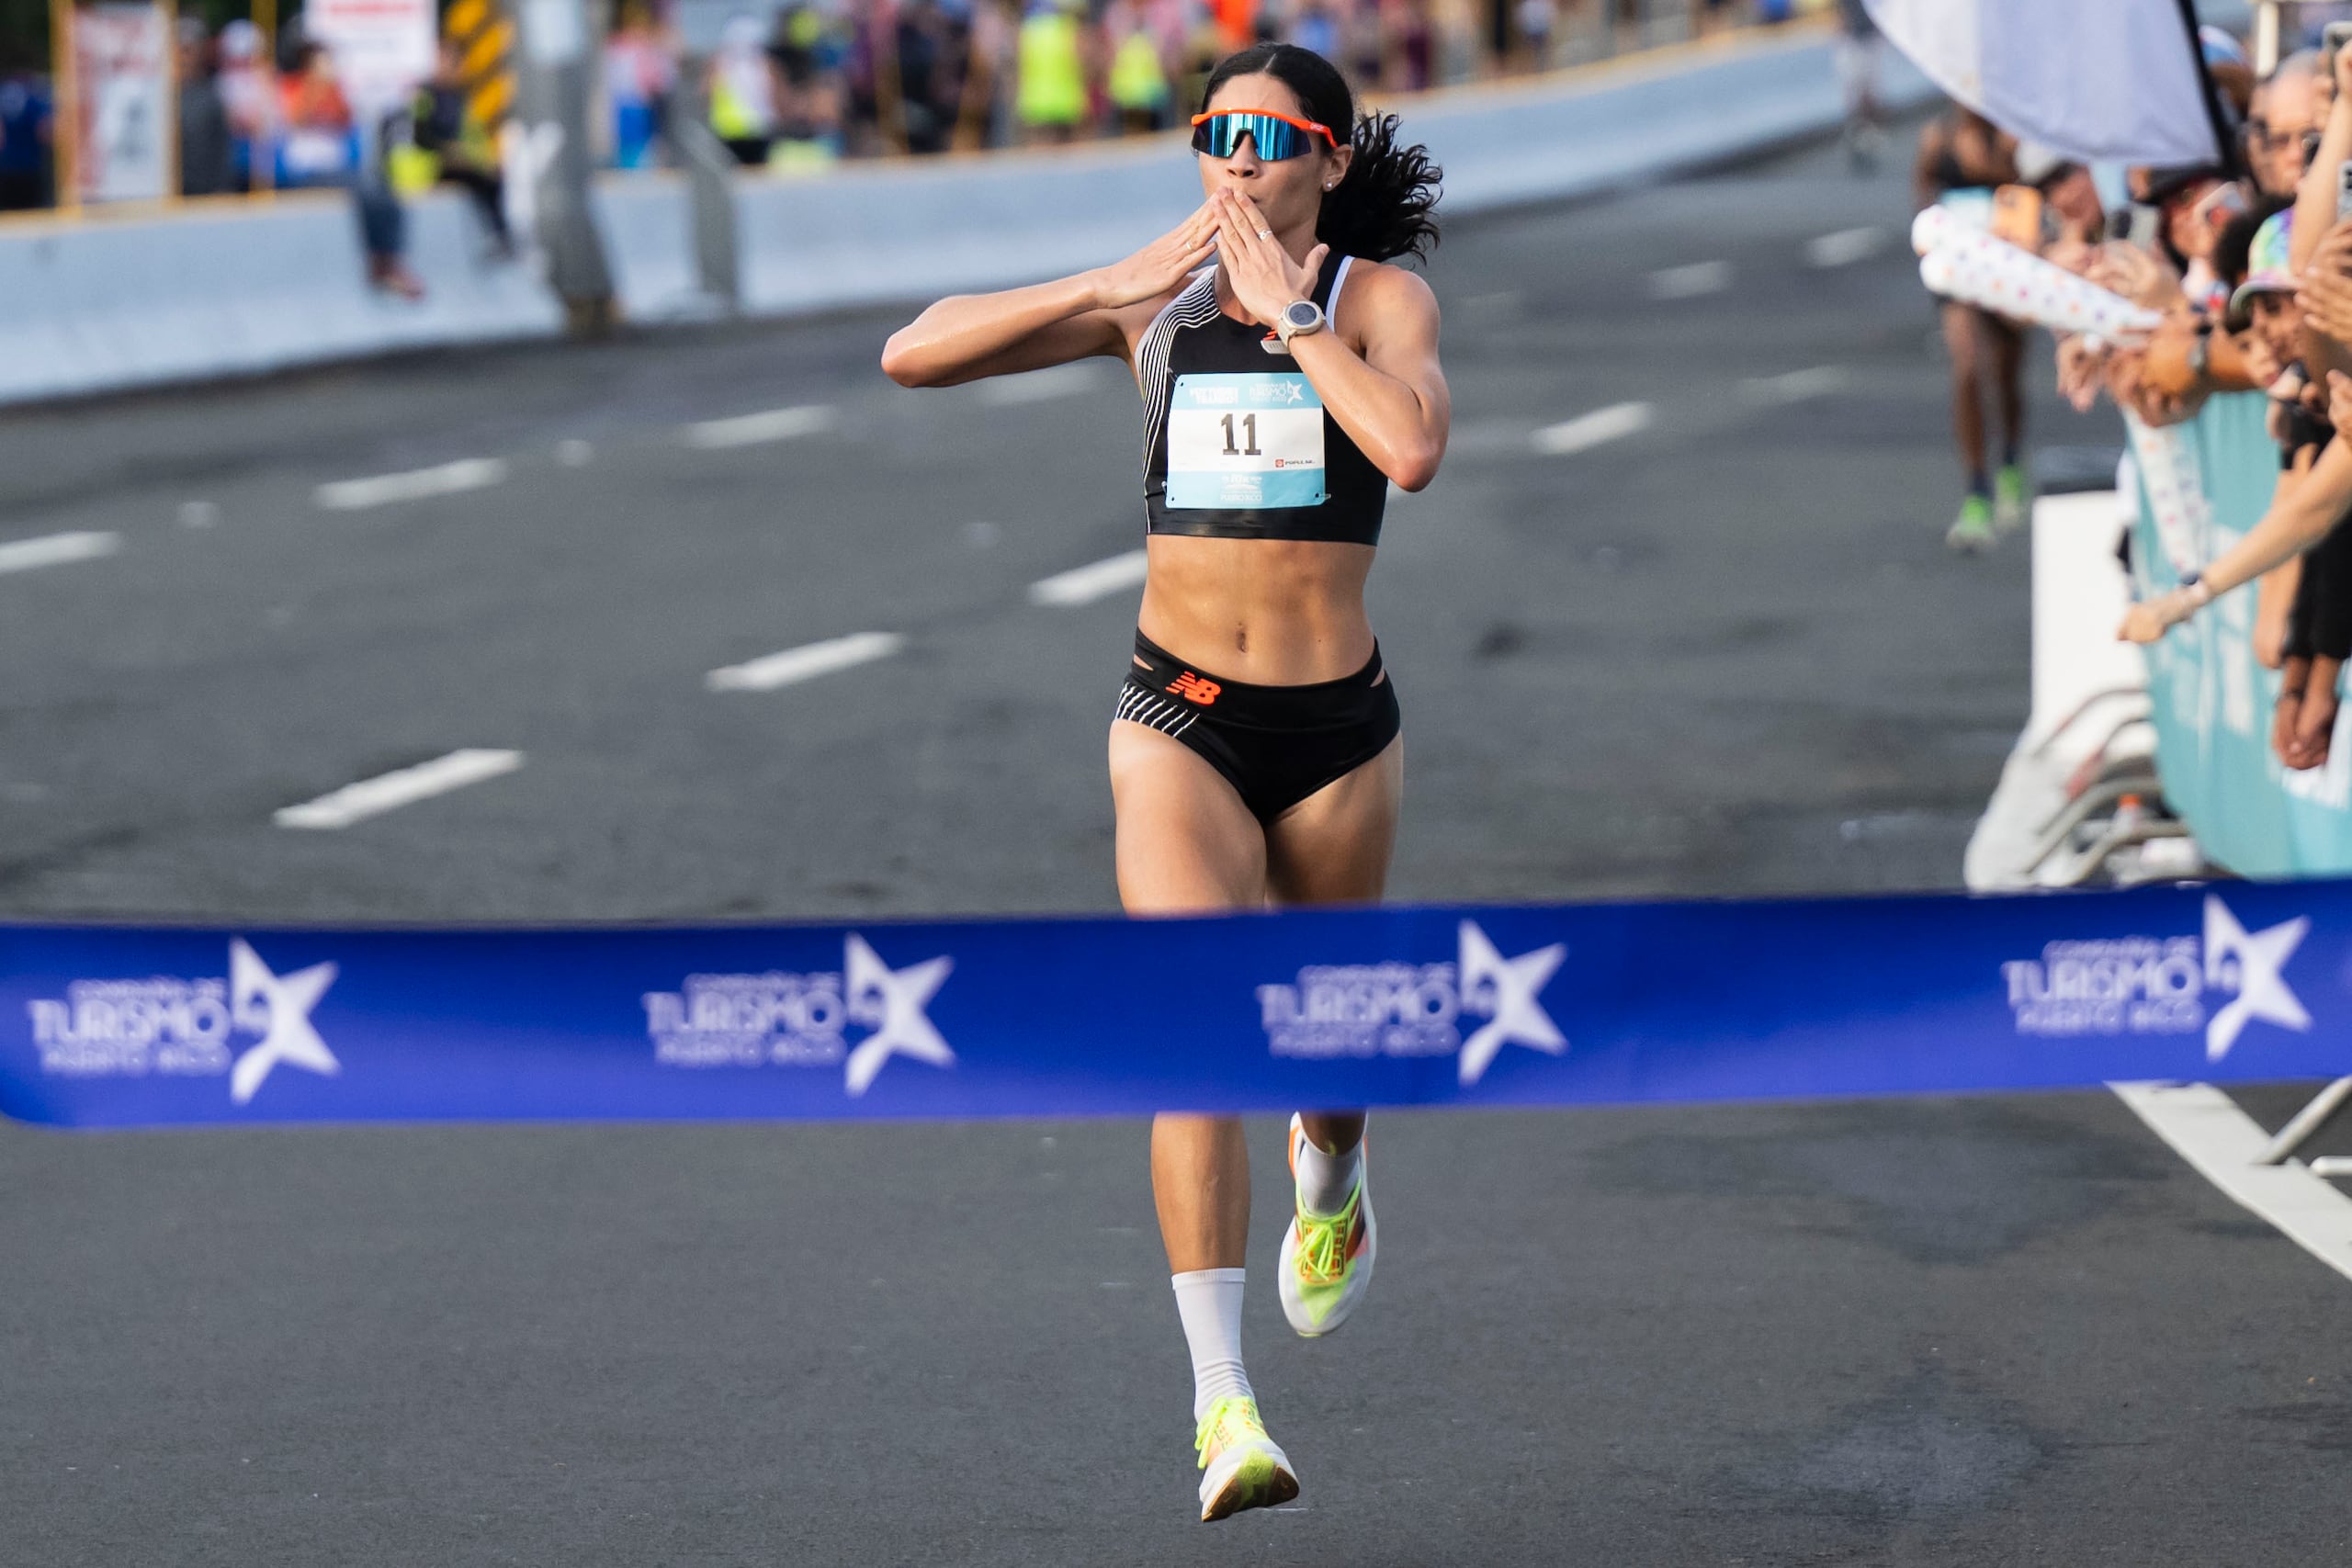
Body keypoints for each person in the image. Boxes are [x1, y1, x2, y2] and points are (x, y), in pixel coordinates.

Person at [881, 40, 1445, 1522]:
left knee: (1325, 1059)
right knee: (1197, 1022)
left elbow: (1414, 446)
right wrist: (1108, 281)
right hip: (1178, 712)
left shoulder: (1380, 301)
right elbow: (912, 353)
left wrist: (1300, 316)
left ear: (1327, 156)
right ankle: (1222, 1405)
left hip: (1334, 728)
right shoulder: (1156, 302)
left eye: (1268, 137)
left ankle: (1333, 1172)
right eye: (1215, 134)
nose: (1238, 161)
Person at [1914, 106, 2025, 550]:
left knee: (2004, 370)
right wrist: (1928, 234)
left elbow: (2031, 189)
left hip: (2006, 265)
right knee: (1967, 365)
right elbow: (1922, 182)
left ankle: (2012, 457)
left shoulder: (2012, 137)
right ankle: (1977, 489)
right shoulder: (1937, 137)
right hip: (1956, 269)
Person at [412, 38, 511, 253]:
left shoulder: (458, 97)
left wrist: (485, 160)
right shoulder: (424, 94)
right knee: (481, 179)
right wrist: (450, 151)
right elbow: (420, 137)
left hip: (456, 162)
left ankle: (499, 234)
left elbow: (473, 137)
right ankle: (497, 234)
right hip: (428, 165)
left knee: (493, 176)